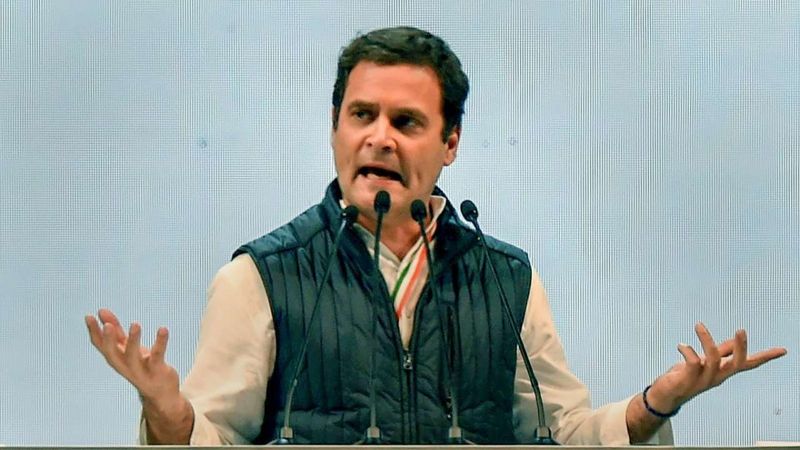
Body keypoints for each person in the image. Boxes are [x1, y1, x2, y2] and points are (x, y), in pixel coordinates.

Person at [85, 26, 787, 445]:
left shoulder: (505, 278)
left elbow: (562, 433)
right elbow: (215, 440)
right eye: (361, 115)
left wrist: (657, 402)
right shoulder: (263, 275)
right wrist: (168, 416)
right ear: (335, 128)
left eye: (407, 122)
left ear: (450, 142)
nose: (379, 137)